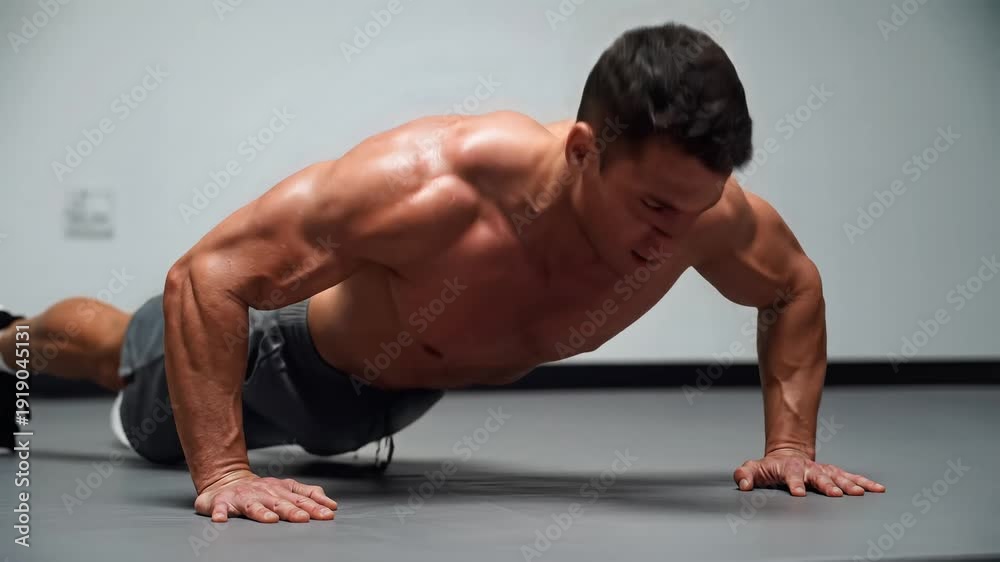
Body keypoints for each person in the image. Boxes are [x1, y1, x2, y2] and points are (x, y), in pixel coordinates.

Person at [0, 22, 884, 524]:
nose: (674, 238)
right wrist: (225, 471)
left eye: (697, 209)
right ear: (584, 150)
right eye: (654, 207)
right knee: (120, 356)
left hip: (379, 404)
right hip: (273, 356)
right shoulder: (441, 181)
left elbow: (791, 286)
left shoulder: (704, 217)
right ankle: (10, 342)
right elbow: (205, 277)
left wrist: (789, 448)